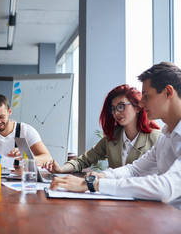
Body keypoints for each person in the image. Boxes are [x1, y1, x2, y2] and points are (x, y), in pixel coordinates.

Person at [50, 62, 181, 209]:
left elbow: (166, 187)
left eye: (146, 96)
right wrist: (102, 177)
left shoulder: (157, 136)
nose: (142, 103)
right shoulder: (165, 136)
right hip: (159, 215)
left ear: (169, 92)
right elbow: (135, 169)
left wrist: (94, 184)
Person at [42, 84, 160, 173]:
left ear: (138, 108)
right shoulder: (112, 138)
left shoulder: (156, 138)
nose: (116, 113)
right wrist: (61, 169)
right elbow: (83, 160)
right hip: (115, 198)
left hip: (144, 200)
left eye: (121, 106)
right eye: (113, 109)